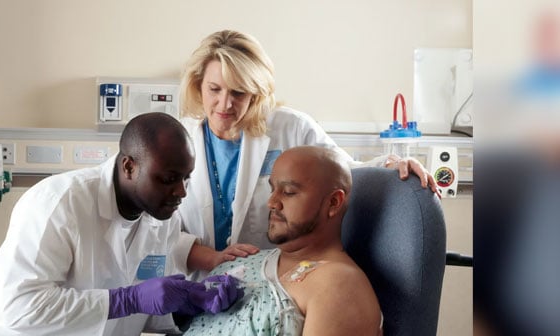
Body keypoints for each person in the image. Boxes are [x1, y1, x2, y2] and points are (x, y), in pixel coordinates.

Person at [0, 112, 244, 336]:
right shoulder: (59, 202)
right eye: (169, 179)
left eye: (186, 179)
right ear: (129, 167)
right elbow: (21, 307)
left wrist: (183, 306)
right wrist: (126, 298)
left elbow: (136, 309)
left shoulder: (162, 221)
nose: (181, 191)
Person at [108, 146, 383, 336]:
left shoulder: (338, 283)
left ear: (334, 203)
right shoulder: (243, 262)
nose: (272, 203)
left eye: (288, 192)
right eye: (273, 189)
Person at [176, 29, 438, 252]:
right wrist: (205, 258)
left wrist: (392, 164)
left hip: (266, 282)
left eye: (238, 92)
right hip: (196, 282)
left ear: (255, 93)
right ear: (198, 85)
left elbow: (344, 172)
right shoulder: (180, 138)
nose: (225, 104)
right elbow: (161, 228)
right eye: (214, 89)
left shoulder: (290, 127)